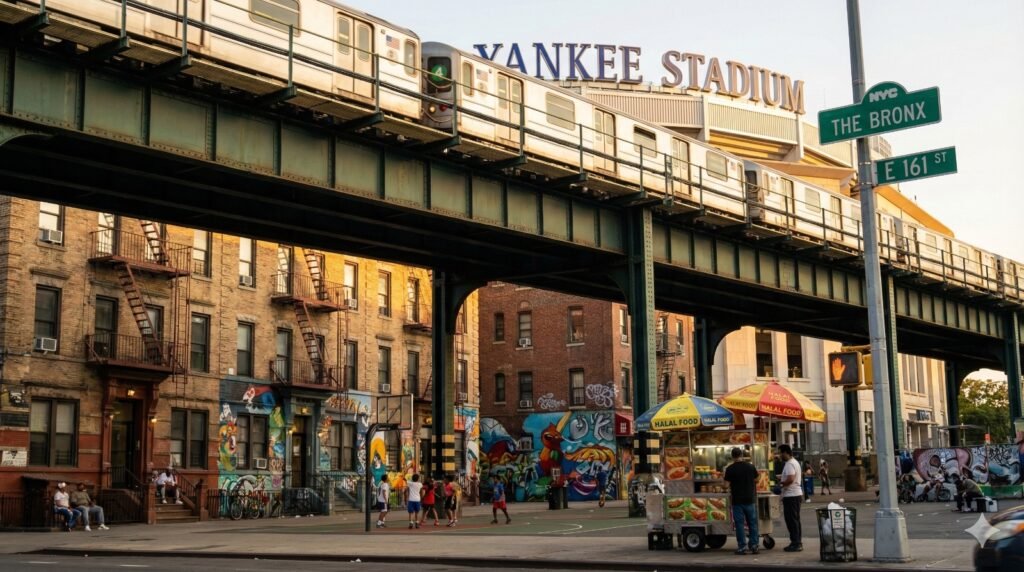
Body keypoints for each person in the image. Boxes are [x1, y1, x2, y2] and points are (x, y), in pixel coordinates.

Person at [723, 447, 759, 555]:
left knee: (739, 524)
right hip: (750, 499)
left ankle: (742, 547)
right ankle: (754, 545)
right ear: (741, 455)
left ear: (732, 456)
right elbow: (757, 479)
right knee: (752, 523)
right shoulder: (750, 466)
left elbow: (725, 486)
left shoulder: (730, 469)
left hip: (737, 501)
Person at [778, 444, 803, 552]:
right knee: (795, 520)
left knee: (791, 520)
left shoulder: (789, 464)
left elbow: (791, 478)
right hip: (795, 494)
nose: (779, 455)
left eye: (780, 453)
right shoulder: (794, 462)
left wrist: (782, 483)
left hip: (791, 495)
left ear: (785, 453)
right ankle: (797, 542)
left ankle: (796, 543)